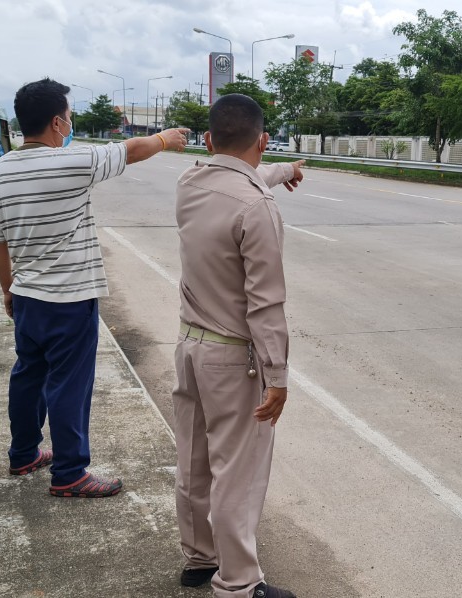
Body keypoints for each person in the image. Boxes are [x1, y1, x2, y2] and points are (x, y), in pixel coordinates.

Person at [0, 78, 189, 498]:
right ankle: (70, 473)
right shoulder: (72, 162)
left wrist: (8, 289)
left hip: (27, 297)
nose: (70, 124)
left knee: (28, 375)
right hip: (70, 300)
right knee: (69, 384)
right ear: (57, 123)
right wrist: (164, 139)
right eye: (69, 117)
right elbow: (131, 150)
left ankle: (23, 454)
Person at [173, 94, 304, 598]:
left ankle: (200, 558)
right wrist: (278, 376)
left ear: (208, 140)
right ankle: (239, 583)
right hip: (232, 359)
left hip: (189, 345)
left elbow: (243, 176)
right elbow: (266, 304)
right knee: (237, 472)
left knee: (194, 459)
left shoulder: (189, 183)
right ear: (263, 140)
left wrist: (282, 171)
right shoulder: (257, 208)